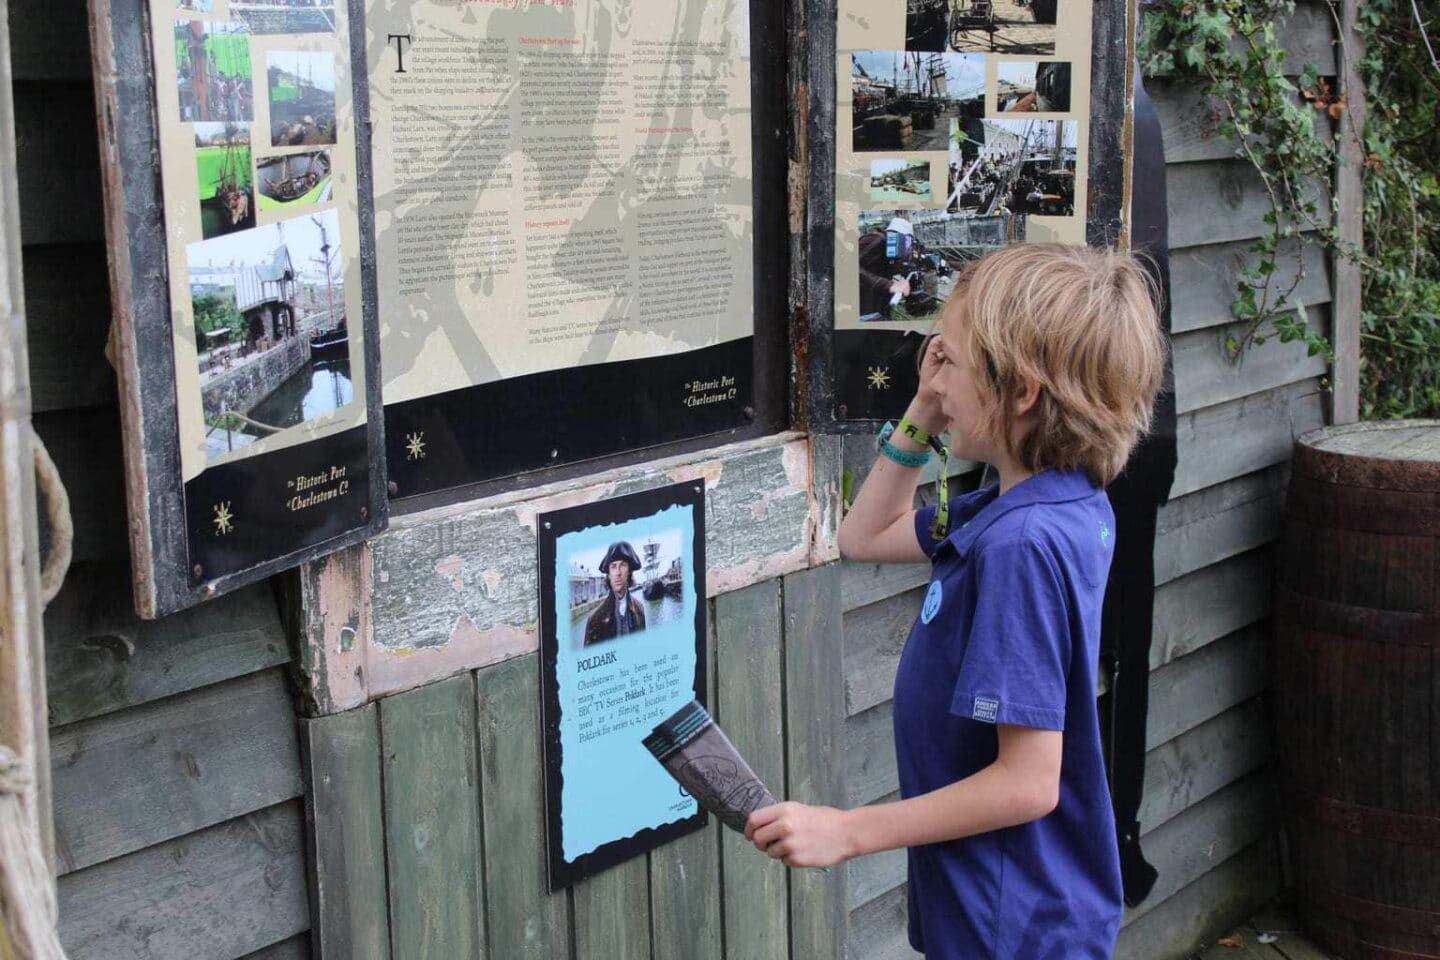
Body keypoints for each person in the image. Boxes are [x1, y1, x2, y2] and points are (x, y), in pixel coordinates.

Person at [745, 244, 1166, 959]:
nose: (938, 378)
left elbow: (1029, 783)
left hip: (1011, 924)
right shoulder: (1042, 503)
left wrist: (846, 831)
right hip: (1015, 906)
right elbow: (865, 533)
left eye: (956, 363)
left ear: (1022, 392)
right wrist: (923, 410)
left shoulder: (1020, 545)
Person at [583, 541, 646, 644]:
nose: (618, 573)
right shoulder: (594, 620)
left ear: (629, 571)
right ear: (608, 574)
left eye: (623, 565)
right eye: (613, 566)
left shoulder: (640, 609)